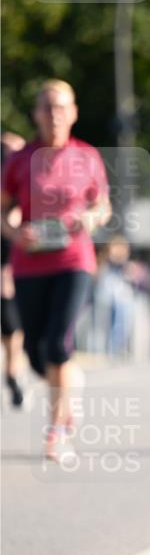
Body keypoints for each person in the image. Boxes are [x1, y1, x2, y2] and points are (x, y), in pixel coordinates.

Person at [0, 80, 110, 459]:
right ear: (36, 115)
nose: (54, 115)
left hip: (73, 261)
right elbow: (2, 210)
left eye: (61, 107)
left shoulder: (88, 157)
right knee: (34, 351)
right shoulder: (19, 160)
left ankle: (56, 433)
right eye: (47, 107)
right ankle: (69, 386)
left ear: (74, 112)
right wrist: (16, 232)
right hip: (30, 265)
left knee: (57, 343)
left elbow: (103, 206)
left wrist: (89, 219)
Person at [1, 132, 26, 407]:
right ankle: (12, 374)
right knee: (12, 332)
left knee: (13, 332)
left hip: (13, 270)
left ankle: (12, 374)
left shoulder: (22, 187)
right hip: (7, 270)